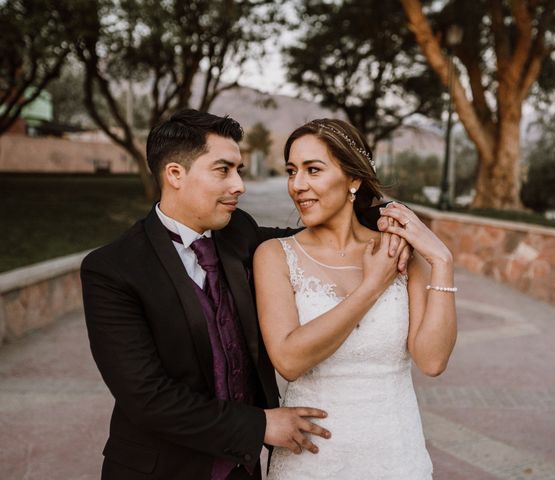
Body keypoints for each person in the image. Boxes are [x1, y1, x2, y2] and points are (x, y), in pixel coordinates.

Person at [81, 109, 408, 480]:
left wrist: (390, 220)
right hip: (160, 470)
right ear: (175, 174)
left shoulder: (239, 232)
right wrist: (259, 426)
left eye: (238, 170)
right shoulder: (112, 270)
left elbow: (318, 234)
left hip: (243, 472)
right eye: (223, 170)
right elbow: (147, 398)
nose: (239, 185)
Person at [253, 119, 457, 480]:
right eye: (291, 171)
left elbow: (432, 360)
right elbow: (289, 360)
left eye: (313, 170)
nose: (297, 185)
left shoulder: (398, 250)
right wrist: (371, 286)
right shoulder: (274, 255)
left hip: (396, 454)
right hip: (312, 459)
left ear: (353, 179)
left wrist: (441, 261)